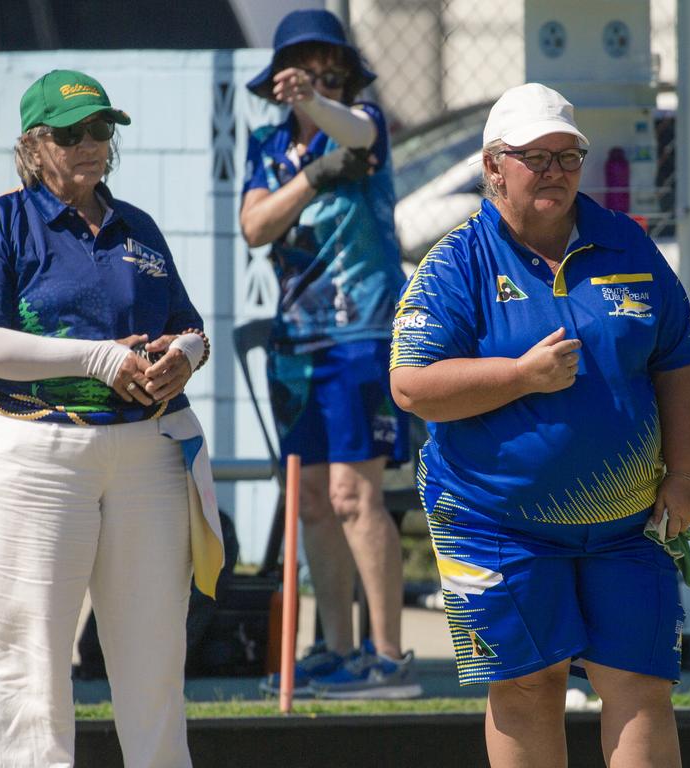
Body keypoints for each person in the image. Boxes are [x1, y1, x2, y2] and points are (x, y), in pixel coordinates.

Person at [390, 82, 690, 767]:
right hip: (494, 522)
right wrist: (517, 376)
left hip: (629, 524)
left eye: (569, 157)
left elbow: (679, 360)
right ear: (493, 166)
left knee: (642, 684)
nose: (556, 172)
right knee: (528, 688)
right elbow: (412, 386)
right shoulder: (455, 264)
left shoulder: (626, 244)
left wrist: (685, 475)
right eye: (537, 156)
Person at [0, 69, 222, 768]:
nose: (92, 143)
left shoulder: (140, 227)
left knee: (154, 658)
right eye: (72, 134)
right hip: (38, 449)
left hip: (148, 452)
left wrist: (183, 356)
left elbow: (190, 328)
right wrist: (97, 359)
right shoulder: (3, 220)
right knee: (26, 658)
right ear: (35, 147)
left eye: (102, 128)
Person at [239, 8, 419, 699]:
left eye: (326, 65)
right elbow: (256, 225)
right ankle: (339, 651)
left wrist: (318, 105)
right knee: (312, 499)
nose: (314, 75)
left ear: (342, 72)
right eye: (300, 65)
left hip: (361, 336)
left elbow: (360, 134)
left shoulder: (359, 120)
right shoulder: (267, 143)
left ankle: (390, 657)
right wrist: (313, 178)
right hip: (297, 344)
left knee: (355, 494)